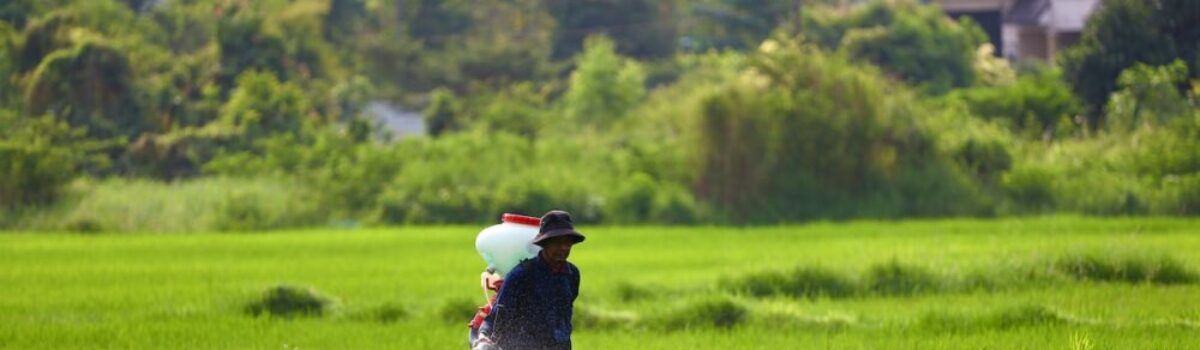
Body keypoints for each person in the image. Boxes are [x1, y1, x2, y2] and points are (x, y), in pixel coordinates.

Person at [475, 210, 585, 350]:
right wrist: (484, 337)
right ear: (544, 243)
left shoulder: (572, 274)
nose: (563, 248)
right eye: (557, 243)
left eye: (567, 243)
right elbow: (498, 314)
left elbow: (565, 313)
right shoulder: (522, 274)